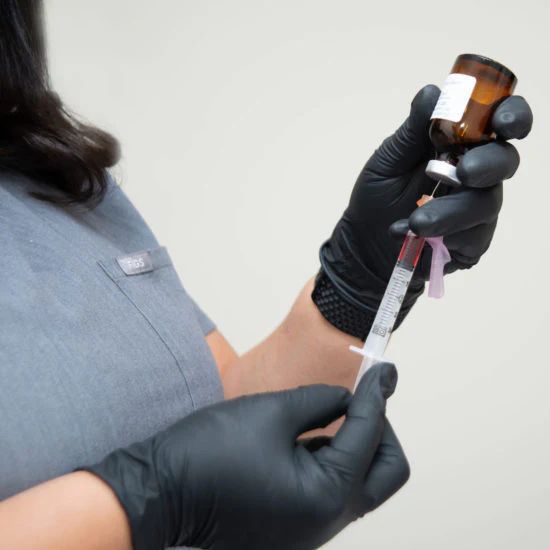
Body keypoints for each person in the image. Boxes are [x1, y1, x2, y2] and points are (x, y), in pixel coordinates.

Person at [0, 1, 533, 549]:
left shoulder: (60, 185)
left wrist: (354, 288)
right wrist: (148, 498)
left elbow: (223, 426)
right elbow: (192, 473)